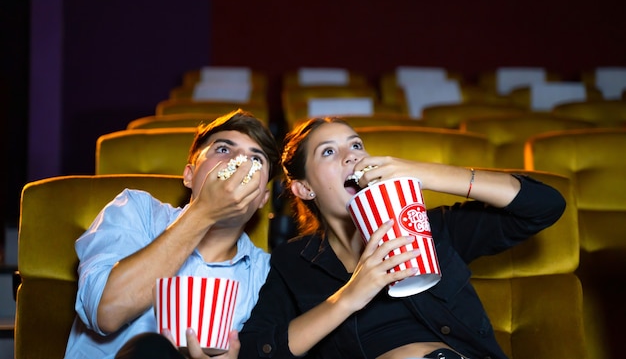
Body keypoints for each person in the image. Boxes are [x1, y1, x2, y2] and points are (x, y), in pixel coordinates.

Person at [238, 117, 566, 359]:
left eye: (356, 145)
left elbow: (545, 206)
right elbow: (258, 351)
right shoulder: (292, 261)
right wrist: (350, 296)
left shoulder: (432, 228)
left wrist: (424, 173)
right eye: (328, 152)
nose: (351, 156)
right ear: (304, 188)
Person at [64, 109, 280, 359]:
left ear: (263, 198)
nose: (240, 164)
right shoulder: (135, 209)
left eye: (256, 160)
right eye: (223, 149)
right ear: (189, 175)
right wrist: (204, 212)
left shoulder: (265, 275)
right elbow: (107, 312)